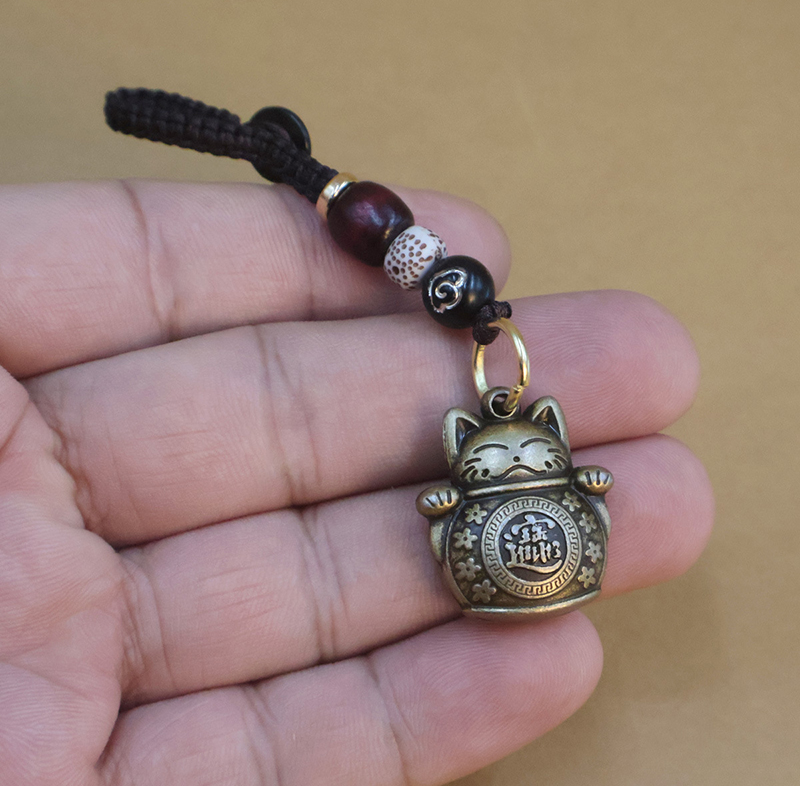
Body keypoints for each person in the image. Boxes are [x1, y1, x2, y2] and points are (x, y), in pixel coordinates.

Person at [0, 178, 713, 785]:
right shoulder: (467, 452)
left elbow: (583, 491)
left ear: (549, 432)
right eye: (497, 458)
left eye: (534, 448)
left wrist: (577, 481)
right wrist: (449, 501)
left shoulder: (537, 444)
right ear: (462, 448)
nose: (518, 459)